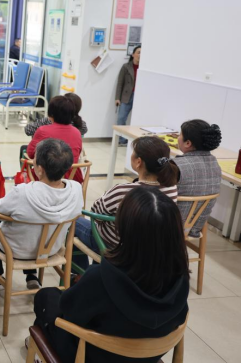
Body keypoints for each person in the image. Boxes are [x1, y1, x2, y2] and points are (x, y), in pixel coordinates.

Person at [33, 186, 190, 363]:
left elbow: (68, 312)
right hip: (149, 357)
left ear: (125, 228)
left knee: (45, 297)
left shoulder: (101, 279)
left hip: (92, 356)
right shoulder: (180, 279)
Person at [0, 139, 83, 291]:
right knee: (35, 228)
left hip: (14, 250)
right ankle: (32, 275)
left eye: (34, 158)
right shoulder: (76, 189)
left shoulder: (23, 192)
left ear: (40, 169)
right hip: (51, 249)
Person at [78, 136, 179, 269]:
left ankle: (79, 273)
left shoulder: (122, 191)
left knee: (74, 221)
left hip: (116, 247)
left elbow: (96, 213)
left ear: (138, 162)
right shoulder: (172, 188)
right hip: (151, 248)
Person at [173, 120, 223, 237]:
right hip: (195, 228)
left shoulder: (177, 165)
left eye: (180, 135)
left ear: (188, 143)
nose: (178, 137)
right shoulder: (215, 163)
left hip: (172, 227)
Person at [27, 96, 83, 183]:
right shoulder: (77, 132)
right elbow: (77, 154)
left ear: (51, 113)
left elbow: (30, 154)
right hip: (72, 177)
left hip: (47, 177)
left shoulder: (43, 130)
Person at [115, 45, 141, 145]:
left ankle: (136, 141)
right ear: (133, 54)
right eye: (138, 52)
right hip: (127, 96)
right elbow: (120, 83)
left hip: (139, 96)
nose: (140, 55)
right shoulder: (126, 66)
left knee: (138, 119)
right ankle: (122, 140)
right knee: (121, 118)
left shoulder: (144, 68)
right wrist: (117, 98)